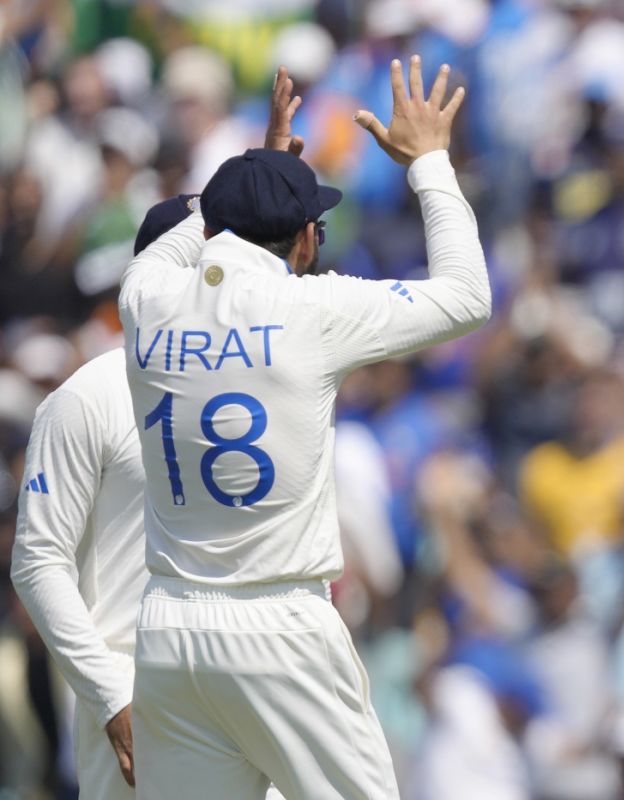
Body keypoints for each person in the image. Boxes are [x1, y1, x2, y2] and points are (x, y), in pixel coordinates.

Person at [117, 55, 489, 799]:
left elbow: (199, 228)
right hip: (279, 625)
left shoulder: (145, 297)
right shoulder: (312, 310)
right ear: (307, 241)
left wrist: (256, 170)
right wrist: (431, 165)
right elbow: (467, 296)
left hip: (165, 631)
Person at [9, 70, 309, 799]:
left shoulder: (250, 370)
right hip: (135, 697)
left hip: (245, 681)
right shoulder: (85, 397)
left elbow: (273, 265)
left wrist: (268, 169)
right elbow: (38, 562)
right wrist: (112, 699)